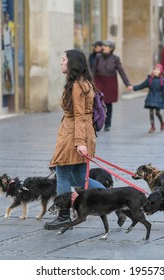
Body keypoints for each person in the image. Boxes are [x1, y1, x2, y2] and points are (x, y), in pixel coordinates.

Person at [44, 49, 116, 230]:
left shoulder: (77, 85)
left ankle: (63, 215)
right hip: (83, 133)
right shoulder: (85, 83)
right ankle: (116, 199)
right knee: (79, 177)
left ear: (72, 63)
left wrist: (79, 142)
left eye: (63, 60)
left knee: (62, 175)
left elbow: (79, 115)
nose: (61, 63)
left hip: (73, 134)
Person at [93, 40, 131, 131]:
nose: (103, 47)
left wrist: (127, 84)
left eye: (106, 46)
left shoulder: (115, 58)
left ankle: (107, 124)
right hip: (99, 81)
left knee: (108, 104)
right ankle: (96, 122)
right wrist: (90, 82)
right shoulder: (98, 57)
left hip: (110, 82)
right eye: (103, 46)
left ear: (111, 48)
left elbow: (121, 71)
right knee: (97, 102)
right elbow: (94, 70)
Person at [127, 64, 164, 133]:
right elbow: (141, 86)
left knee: (157, 112)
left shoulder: (163, 82)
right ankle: (152, 126)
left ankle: (162, 122)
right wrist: (133, 88)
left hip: (159, 98)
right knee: (151, 112)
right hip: (151, 97)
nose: (156, 71)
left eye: (158, 70)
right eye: (155, 69)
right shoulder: (149, 80)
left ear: (160, 71)